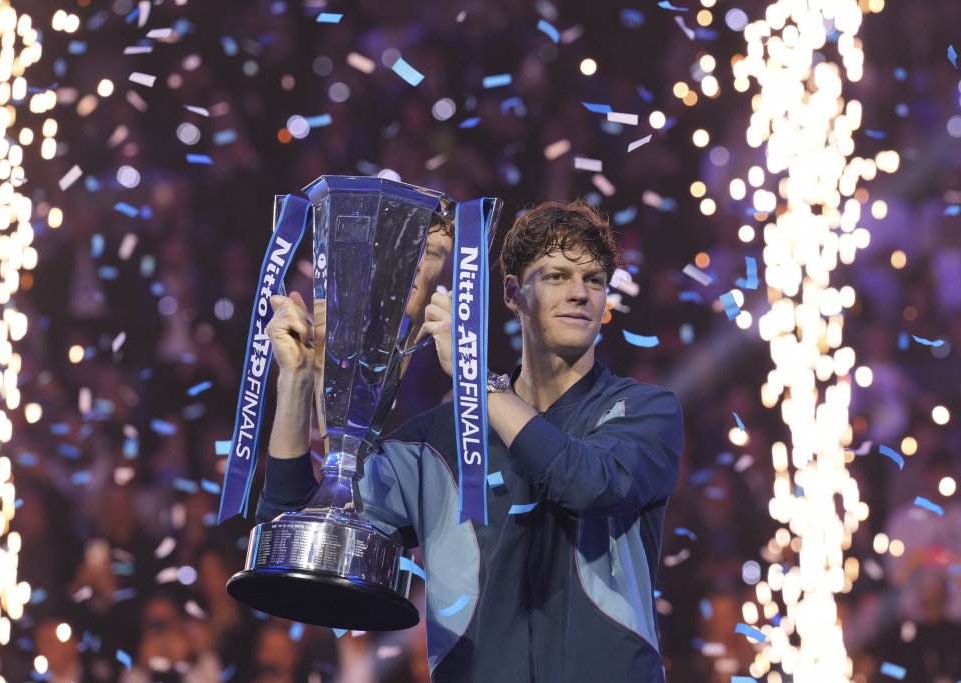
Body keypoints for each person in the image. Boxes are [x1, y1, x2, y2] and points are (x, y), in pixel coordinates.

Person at [256, 200, 684, 682]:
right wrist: (293, 383)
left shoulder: (643, 411)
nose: (579, 293)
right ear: (511, 293)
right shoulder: (438, 440)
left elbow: (586, 484)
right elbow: (292, 531)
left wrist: (476, 382)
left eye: (594, 280)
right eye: (557, 276)